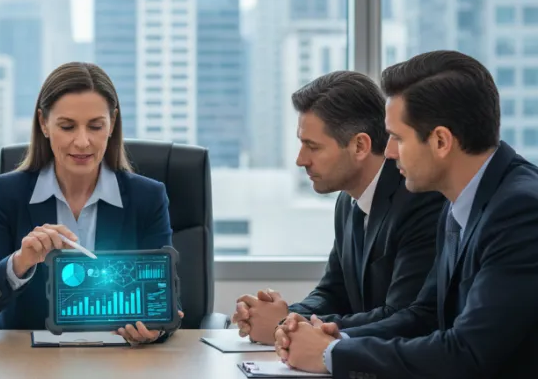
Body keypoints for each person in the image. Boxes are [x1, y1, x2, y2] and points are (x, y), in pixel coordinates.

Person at [275, 50, 538, 378]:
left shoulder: (519, 210)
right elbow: (424, 317)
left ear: (440, 141)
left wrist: (331, 354)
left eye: (398, 138)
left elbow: (468, 351)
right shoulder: (459, 201)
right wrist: (336, 338)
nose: (388, 151)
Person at [0, 62, 180, 343]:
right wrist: (20, 262)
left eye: (95, 126)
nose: (82, 142)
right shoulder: (6, 194)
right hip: (26, 358)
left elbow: (169, 301)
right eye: (67, 127)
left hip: (120, 358)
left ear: (112, 123)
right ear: (44, 123)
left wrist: (157, 329)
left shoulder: (147, 197)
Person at [231, 71, 444, 345]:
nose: (300, 160)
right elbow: (333, 292)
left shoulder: (419, 199)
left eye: (312, 147)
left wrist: (286, 325)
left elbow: (404, 317)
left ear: (360, 146)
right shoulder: (347, 200)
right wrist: (285, 317)